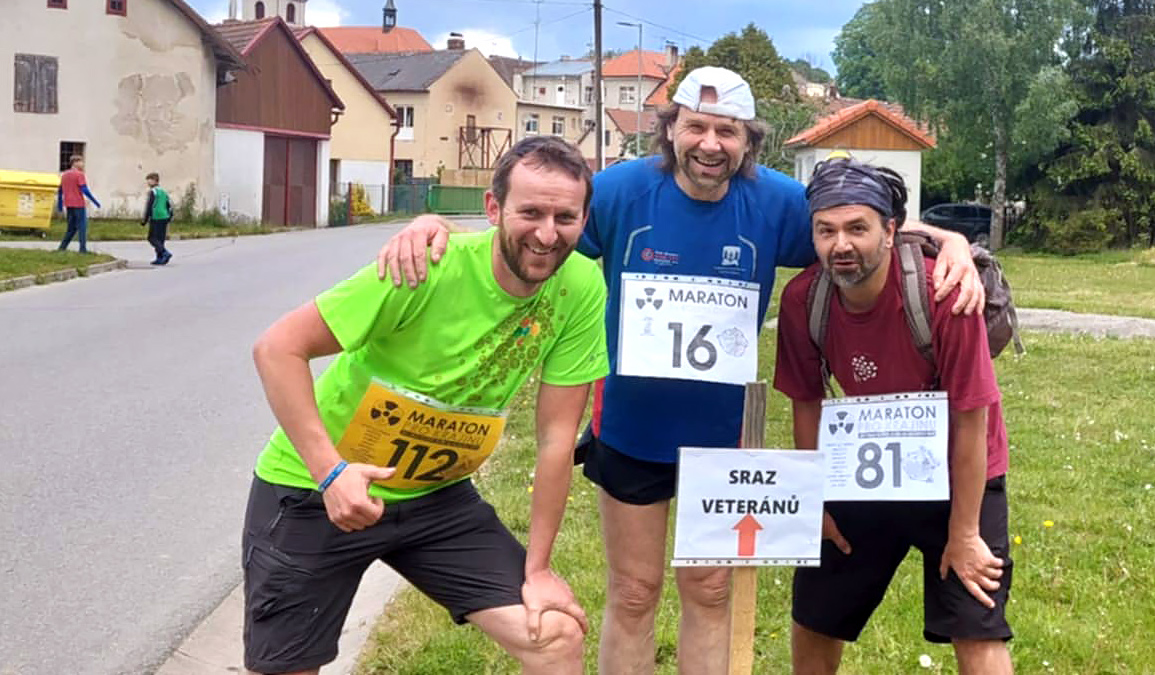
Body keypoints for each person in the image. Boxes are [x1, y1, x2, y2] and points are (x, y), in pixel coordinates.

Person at [377, 67, 987, 674]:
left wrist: (949, 242)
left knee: (710, 591)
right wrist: (438, 227)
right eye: (696, 126)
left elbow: (858, 221)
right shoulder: (619, 191)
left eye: (727, 131)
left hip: (722, 440)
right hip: (631, 431)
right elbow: (537, 230)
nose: (710, 144)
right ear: (670, 129)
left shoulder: (776, 201)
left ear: (749, 141)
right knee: (633, 593)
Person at [244, 136, 609, 675]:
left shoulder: (580, 285)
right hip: (314, 489)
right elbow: (277, 349)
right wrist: (331, 474)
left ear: (584, 219)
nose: (547, 234)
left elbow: (557, 439)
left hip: (434, 497)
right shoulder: (424, 267)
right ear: (493, 208)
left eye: (565, 218)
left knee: (554, 633)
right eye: (530, 213)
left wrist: (539, 570)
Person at [773, 157, 1013, 675]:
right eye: (826, 231)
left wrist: (964, 532)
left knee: (978, 625)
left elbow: (972, 419)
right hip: (863, 469)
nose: (841, 245)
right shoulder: (802, 301)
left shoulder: (945, 294)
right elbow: (807, 404)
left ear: (889, 231)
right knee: (814, 618)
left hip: (959, 471)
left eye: (857, 229)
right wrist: (814, 501)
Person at [55, 154, 100, 253]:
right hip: (79, 203)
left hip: (68, 204)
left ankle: (62, 247)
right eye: (81, 162)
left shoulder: (64, 175)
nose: (82, 164)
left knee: (71, 228)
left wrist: (60, 205)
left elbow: (60, 191)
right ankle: (82, 249)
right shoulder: (79, 174)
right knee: (82, 226)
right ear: (75, 163)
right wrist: (95, 201)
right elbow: (84, 189)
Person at [139, 172, 173, 265]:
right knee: (160, 238)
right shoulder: (164, 191)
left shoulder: (153, 192)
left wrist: (145, 219)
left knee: (152, 238)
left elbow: (149, 205)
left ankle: (165, 253)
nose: (148, 183)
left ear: (154, 181)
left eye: (149, 180)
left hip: (156, 216)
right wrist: (170, 216)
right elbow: (169, 204)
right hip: (164, 216)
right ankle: (160, 257)